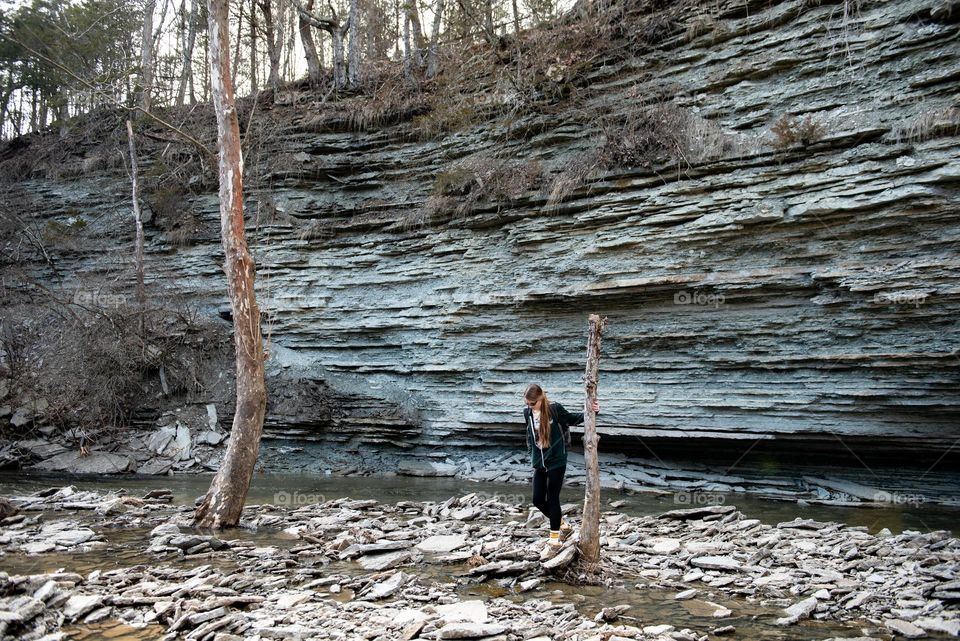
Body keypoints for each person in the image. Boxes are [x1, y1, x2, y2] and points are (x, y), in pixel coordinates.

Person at [523, 383, 599, 557]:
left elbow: (574, 419)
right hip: (539, 464)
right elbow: (529, 435)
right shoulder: (527, 412)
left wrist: (593, 410)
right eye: (527, 403)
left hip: (556, 462)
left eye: (533, 403)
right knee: (537, 500)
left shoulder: (554, 409)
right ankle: (563, 525)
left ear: (541, 398)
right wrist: (531, 454)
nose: (529, 406)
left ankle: (555, 540)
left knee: (552, 499)